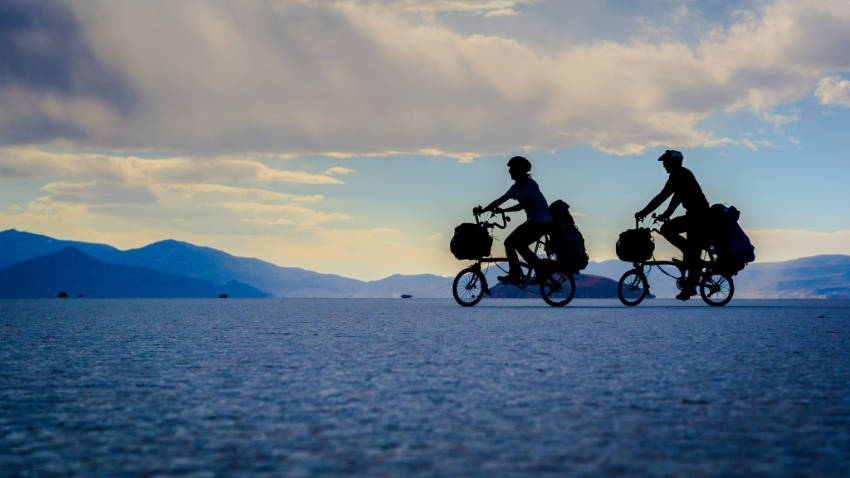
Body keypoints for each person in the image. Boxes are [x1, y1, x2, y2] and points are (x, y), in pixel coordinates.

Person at [635, 150, 710, 301]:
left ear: (674, 162)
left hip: (699, 216)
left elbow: (665, 196)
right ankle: (690, 280)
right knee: (690, 250)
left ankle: (689, 286)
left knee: (668, 231)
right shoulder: (679, 175)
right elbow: (674, 197)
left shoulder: (680, 175)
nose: (664, 165)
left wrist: (645, 212)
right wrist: (665, 214)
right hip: (695, 215)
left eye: (665, 162)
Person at [475, 156, 554, 285]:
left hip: (542, 223)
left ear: (520, 170)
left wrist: (503, 211)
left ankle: (522, 273)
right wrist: (483, 211)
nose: (510, 171)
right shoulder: (515, 188)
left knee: (513, 244)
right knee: (513, 244)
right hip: (533, 222)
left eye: (512, 169)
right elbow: (499, 201)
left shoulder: (531, 185)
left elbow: (523, 205)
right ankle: (530, 271)